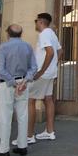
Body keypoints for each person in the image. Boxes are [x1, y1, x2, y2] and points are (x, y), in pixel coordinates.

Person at [0, 24, 38, 156]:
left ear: (8, 33)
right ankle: (23, 146)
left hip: (7, 85)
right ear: (21, 34)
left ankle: (3, 150)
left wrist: (13, 82)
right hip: (23, 84)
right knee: (23, 115)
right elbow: (34, 67)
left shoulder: (3, 47)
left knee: (5, 117)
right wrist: (24, 81)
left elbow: (2, 70)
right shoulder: (28, 46)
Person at [25, 13, 61, 144]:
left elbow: (50, 52)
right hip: (51, 73)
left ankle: (29, 135)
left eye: (36, 21)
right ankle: (49, 131)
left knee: (30, 100)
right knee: (48, 99)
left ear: (40, 21)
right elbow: (59, 51)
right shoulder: (52, 33)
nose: (35, 23)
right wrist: (52, 67)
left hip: (43, 74)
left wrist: (41, 71)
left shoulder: (44, 34)